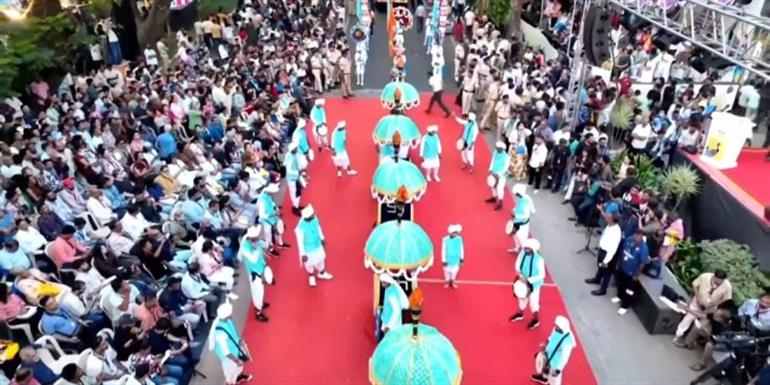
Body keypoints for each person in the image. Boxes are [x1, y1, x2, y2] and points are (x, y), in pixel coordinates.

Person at [673, 270, 733, 346]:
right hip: (698, 301)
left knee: (700, 325)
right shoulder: (705, 276)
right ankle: (678, 335)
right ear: (714, 276)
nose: (719, 283)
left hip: (710, 308)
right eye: (717, 281)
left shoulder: (727, 286)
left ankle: (691, 341)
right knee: (689, 317)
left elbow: (726, 300)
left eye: (721, 282)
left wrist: (714, 306)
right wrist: (698, 298)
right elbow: (695, 285)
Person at [208, 295, 253, 385]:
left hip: (235, 349)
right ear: (226, 316)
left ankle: (238, 377)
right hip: (229, 358)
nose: (232, 313)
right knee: (230, 373)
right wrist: (236, 360)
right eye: (230, 312)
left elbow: (232, 334)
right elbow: (226, 352)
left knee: (238, 368)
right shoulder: (220, 335)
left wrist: (239, 341)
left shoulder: (227, 321)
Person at [510, 238, 546, 330]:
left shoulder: (539, 259)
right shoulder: (522, 253)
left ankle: (535, 319)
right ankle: (520, 313)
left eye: (528, 249)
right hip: (523, 280)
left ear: (533, 249)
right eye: (525, 248)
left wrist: (529, 279)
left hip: (534, 284)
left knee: (533, 301)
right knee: (521, 297)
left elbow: (542, 275)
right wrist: (518, 272)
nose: (525, 250)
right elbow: (517, 263)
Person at [584, 211, 623, 296]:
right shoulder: (609, 226)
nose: (606, 217)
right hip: (602, 250)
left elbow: (613, 249)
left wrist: (606, 261)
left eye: (608, 216)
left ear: (612, 219)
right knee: (600, 267)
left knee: (607, 272)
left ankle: (603, 289)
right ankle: (597, 279)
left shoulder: (616, 232)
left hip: (607, 254)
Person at [238, 226, 272, 322]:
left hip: (261, 268)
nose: (257, 238)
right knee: (257, 291)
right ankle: (258, 311)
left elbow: (266, 245)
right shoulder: (245, 248)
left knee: (261, 290)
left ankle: (260, 303)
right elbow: (253, 259)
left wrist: (262, 242)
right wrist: (256, 248)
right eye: (256, 237)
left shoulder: (257, 242)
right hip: (253, 273)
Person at [294, 205, 333, 287]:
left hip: (317, 245)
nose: (313, 215)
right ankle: (311, 275)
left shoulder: (314, 218)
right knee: (309, 264)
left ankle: (321, 273)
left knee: (321, 259)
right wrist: (303, 254)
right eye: (312, 215)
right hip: (308, 249)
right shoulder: (300, 228)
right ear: (307, 218)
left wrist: (322, 238)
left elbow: (319, 228)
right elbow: (300, 242)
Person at [531, 315, 576, 385]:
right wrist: (544, 347)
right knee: (545, 368)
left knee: (554, 381)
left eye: (557, 327)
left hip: (556, 363)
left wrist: (558, 369)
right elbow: (551, 338)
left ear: (562, 327)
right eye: (556, 326)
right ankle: (544, 378)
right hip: (549, 355)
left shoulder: (568, 341)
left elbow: (565, 357)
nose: (555, 328)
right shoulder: (557, 329)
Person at [614, 230, 649, 315]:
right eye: (635, 235)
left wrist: (636, 275)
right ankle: (619, 296)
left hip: (631, 273)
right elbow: (622, 252)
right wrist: (618, 263)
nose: (636, 237)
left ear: (642, 237)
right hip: (623, 267)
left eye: (639, 236)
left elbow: (642, 263)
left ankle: (624, 306)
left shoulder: (644, 248)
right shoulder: (628, 240)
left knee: (629, 290)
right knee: (620, 284)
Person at [378, 274, 408, 340]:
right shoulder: (389, 289)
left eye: (384, 282)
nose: (382, 284)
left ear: (388, 281)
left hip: (392, 327)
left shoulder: (392, 295)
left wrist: (389, 326)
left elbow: (397, 311)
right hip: (388, 323)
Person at [509, 184, 535, 253]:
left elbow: (525, 215)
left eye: (516, 194)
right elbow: (518, 206)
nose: (516, 195)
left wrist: (515, 215)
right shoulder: (522, 198)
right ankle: (517, 248)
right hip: (517, 221)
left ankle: (525, 253)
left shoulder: (526, 202)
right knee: (515, 235)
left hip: (522, 223)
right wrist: (514, 210)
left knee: (522, 239)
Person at [486, 141, 510, 210]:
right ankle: (494, 197)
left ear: (502, 149)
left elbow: (505, 167)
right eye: (496, 148)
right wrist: (490, 169)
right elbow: (492, 161)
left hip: (501, 175)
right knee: (492, 185)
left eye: (498, 148)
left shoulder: (506, 156)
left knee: (499, 188)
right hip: (493, 172)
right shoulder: (495, 152)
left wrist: (499, 174)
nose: (497, 149)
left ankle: (500, 202)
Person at [441, 224, 464, 289]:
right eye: (453, 233)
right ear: (450, 232)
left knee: (454, 271)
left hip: (456, 259)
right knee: (446, 271)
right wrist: (444, 260)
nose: (455, 234)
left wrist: (462, 258)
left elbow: (461, 248)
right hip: (448, 259)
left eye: (456, 233)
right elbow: (443, 250)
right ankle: (447, 281)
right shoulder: (445, 239)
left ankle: (452, 281)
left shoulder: (459, 239)